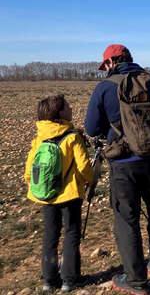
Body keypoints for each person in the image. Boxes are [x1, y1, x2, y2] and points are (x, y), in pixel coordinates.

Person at [85, 44, 150, 295]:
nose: (103, 69)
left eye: (104, 65)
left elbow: (92, 128)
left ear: (110, 62)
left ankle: (136, 280)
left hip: (124, 164)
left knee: (126, 220)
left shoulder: (105, 87)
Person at [24, 95, 93, 292]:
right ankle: (70, 280)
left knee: (50, 235)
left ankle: (48, 279)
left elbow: (29, 172)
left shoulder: (39, 139)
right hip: (69, 195)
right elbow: (84, 167)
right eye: (68, 107)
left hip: (46, 196)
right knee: (72, 234)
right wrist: (90, 180)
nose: (71, 109)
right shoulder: (72, 137)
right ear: (60, 113)